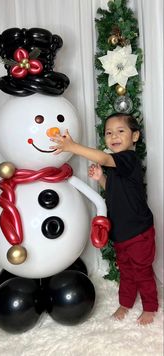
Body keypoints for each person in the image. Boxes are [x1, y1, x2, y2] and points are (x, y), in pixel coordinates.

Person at [49, 113, 158, 325]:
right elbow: (114, 191)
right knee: (125, 271)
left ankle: (150, 307)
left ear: (134, 136)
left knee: (142, 272)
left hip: (139, 232)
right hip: (121, 233)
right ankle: (125, 303)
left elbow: (104, 158)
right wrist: (101, 179)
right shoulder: (117, 166)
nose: (114, 136)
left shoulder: (128, 158)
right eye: (109, 132)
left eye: (120, 131)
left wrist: (73, 147)